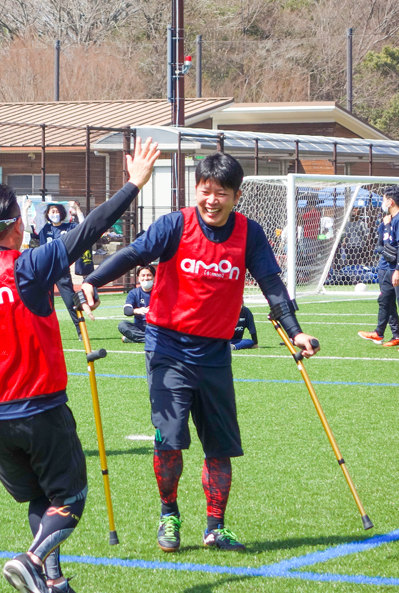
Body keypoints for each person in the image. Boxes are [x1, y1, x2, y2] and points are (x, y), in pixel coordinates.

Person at [0, 137, 160, 593]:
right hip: (37, 408)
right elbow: (91, 229)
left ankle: (51, 585)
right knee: (71, 499)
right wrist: (134, 183)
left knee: (42, 497)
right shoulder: (29, 267)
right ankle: (34, 560)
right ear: (18, 225)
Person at [81, 152, 320, 554]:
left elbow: (272, 285)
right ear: (196, 190)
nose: (212, 200)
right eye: (205, 191)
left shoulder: (250, 233)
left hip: (214, 352)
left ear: (236, 196)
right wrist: (93, 280)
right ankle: (169, 514)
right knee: (170, 441)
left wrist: (295, 332)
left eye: (221, 193)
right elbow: (134, 253)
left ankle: (216, 527)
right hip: (167, 348)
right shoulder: (176, 224)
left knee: (221, 446)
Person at [358, 186, 399, 352]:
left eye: (384, 199)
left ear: (390, 201)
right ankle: (392, 336)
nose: (383, 202)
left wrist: (398, 270)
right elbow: (380, 246)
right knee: (386, 302)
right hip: (386, 267)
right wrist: (385, 227)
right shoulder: (388, 220)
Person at [38, 201, 85, 340]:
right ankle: (46, 333)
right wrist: (27, 208)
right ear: (47, 214)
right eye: (52, 212)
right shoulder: (44, 228)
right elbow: (29, 227)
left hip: (61, 269)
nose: (55, 214)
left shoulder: (68, 227)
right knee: (46, 303)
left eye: (57, 211)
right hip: (45, 269)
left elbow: (83, 227)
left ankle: (81, 331)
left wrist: (77, 209)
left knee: (70, 301)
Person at [119, 265, 155, 343]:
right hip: (140, 326)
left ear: (154, 277)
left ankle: (135, 338)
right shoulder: (134, 293)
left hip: (157, 325)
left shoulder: (160, 291)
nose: (146, 278)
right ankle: (152, 339)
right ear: (138, 277)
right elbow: (127, 311)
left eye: (149, 275)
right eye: (143, 275)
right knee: (122, 325)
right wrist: (137, 311)